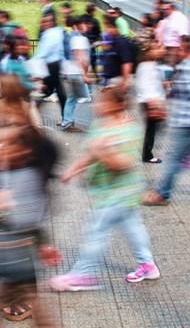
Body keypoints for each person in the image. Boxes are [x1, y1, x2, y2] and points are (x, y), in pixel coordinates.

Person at [49, 87, 160, 292]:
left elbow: (124, 164)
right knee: (134, 226)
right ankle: (148, 265)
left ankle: (83, 274)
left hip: (118, 192)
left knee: (96, 232)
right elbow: (92, 153)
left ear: (117, 105)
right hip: (111, 191)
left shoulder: (128, 130)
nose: (97, 105)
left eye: (103, 102)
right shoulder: (101, 124)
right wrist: (73, 170)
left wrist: (104, 152)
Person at [0, 76, 60, 325]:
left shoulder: (19, 128)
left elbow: (35, 164)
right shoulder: (11, 120)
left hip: (21, 218)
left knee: (18, 279)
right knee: (18, 279)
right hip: (19, 220)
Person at [143, 36, 190, 206]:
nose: (175, 52)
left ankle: (162, 194)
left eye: (178, 49)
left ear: (185, 49)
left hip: (189, 124)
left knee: (174, 159)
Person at [135, 42, 166, 163]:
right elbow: (144, 85)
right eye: (157, 48)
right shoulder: (146, 65)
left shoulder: (152, 64)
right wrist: (152, 103)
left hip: (152, 101)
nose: (161, 50)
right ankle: (147, 155)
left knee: (153, 128)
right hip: (149, 101)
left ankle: (147, 153)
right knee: (151, 129)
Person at [61, 16, 91, 132]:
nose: (86, 26)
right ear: (78, 25)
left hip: (70, 71)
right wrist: (84, 75)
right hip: (76, 72)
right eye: (84, 24)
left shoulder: (73, 37)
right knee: (81, 97)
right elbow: (80, 57)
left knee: (72, 98)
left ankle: (67, 121)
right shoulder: (79, 38)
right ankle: (68, 122)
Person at [33, 14, 66, 119]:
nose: (43, 24)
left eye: (46, 22)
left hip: (50, 66)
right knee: (55, 92)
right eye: (43, 22)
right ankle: (66, 118)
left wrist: (33, 63)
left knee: (47, 92)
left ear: (51, 23)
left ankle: (31, 113)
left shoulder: (49, 34)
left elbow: (43, 52)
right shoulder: (59, 31)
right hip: (54, 66)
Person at [100, 15, 133, 91]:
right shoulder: (112, 41)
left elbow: (127, 63)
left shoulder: (122, 42)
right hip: (110, 79)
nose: (107, 30)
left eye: (109, 27)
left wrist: (125, 81)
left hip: (118, 80)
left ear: (115, 27)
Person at [82, 3, 101, 79]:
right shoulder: (95, 21)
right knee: (93, 60)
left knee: (84, 60)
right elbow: (98, 33)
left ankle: (85, 74)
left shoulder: (82, 18)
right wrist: (98, 40)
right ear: (93, 11)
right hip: (91, 43)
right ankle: (96, 75)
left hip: (83, 42)